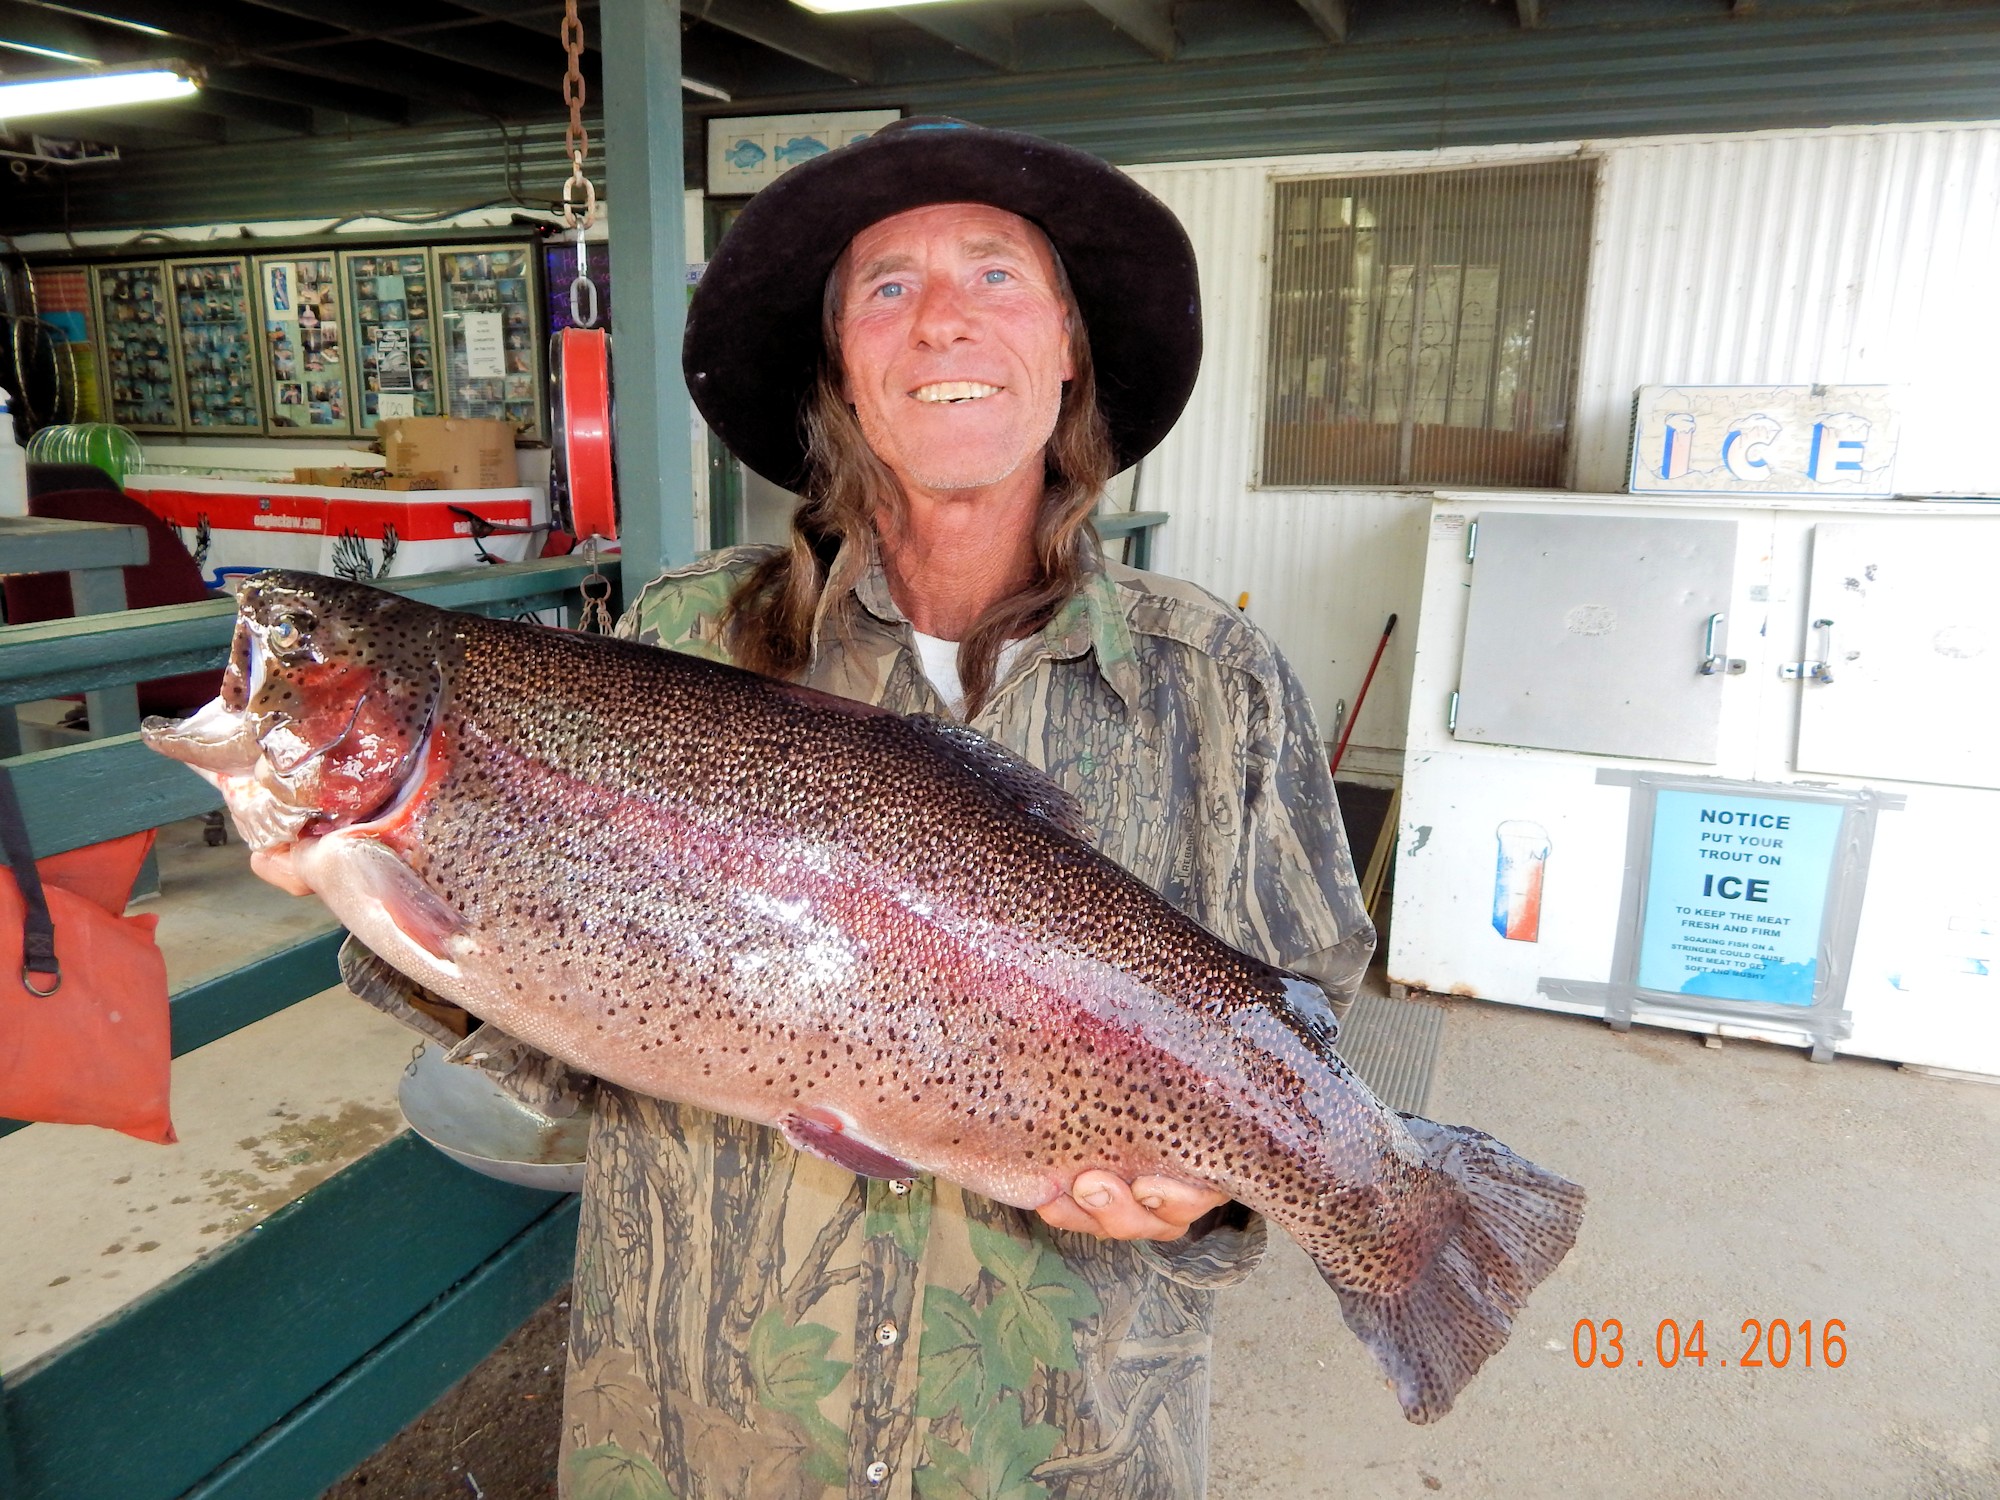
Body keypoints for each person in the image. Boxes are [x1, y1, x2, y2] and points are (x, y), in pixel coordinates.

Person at [251, 118, 1373, 1499]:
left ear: (1070, 349)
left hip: (1055, 1446)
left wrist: (1216, 1191)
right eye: (886, 289)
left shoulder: (1223, 685)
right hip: (703, 1436)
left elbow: (1300, 1022)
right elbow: (567, 1064)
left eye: (995, 276)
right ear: (842, 365)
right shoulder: (680, 642)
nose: (942, 324)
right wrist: (416, 904)